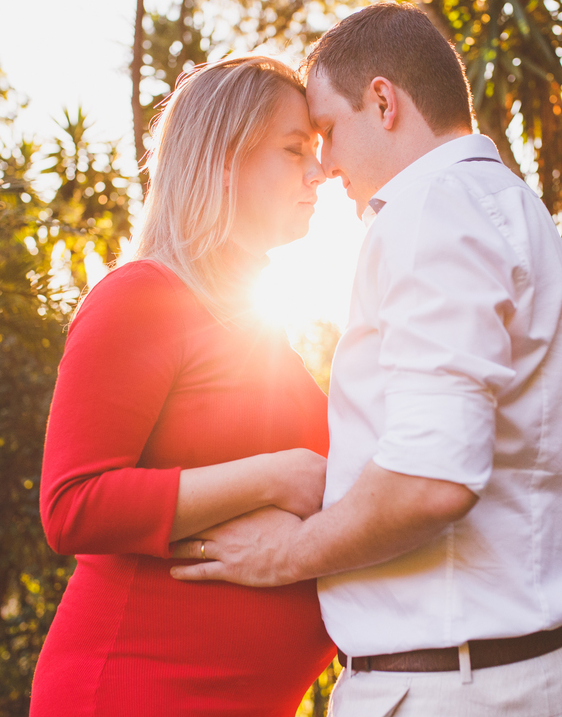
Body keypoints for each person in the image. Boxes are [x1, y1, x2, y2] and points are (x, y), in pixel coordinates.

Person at [172, 3, 562, 716]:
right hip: (522, 674)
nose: (325, 163)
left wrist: (284, 553)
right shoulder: (513, 209)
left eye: (328, 131)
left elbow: (430, 481)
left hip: (455, 691)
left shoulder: (429, 210)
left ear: (383, 101)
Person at [29, 55, 336, 717]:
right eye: (293, 151)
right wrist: (272, 477)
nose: (319, 174)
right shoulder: (141, 297)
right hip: (137, 690)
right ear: (224, 158)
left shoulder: (256, 325)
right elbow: (72, 504)